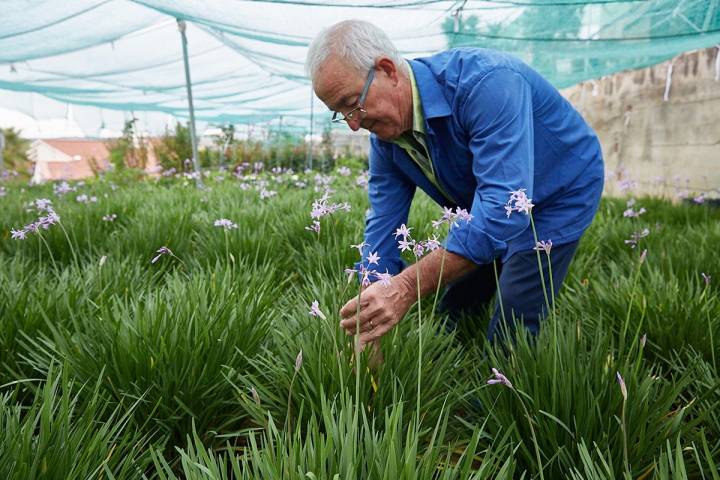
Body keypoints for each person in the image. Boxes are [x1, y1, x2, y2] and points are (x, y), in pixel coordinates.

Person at [305, 20, 604, 350]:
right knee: (453, 311)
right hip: (488, 201)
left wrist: (404, 288)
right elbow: (384, 228)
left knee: (513, 324)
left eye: (352, 103)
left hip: (560, 191)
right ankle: (448, 373)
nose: (353, 125)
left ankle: (505, 391)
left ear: (388, 70)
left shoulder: (486, 84)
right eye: (339, 113)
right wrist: (369, 317)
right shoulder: (387, 143)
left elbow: (504, 211)